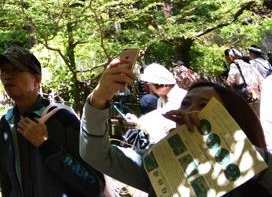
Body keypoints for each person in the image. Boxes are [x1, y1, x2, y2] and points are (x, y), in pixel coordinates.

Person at [81, 57, 272, 196]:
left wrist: (225, 144)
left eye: (203, 106)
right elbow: (96, 154)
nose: (187, 113)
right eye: (185, 105)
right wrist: (98, 98)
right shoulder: (158, 161)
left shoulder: (257, 171)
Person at [0, 45, 105, 197]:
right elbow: (6, 180)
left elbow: (94, 184)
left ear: (37, 80)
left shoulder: (63, 119)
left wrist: (47, 146)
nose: (7, 76)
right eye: (3, 71)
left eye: (16, 69)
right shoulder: (6, 123)